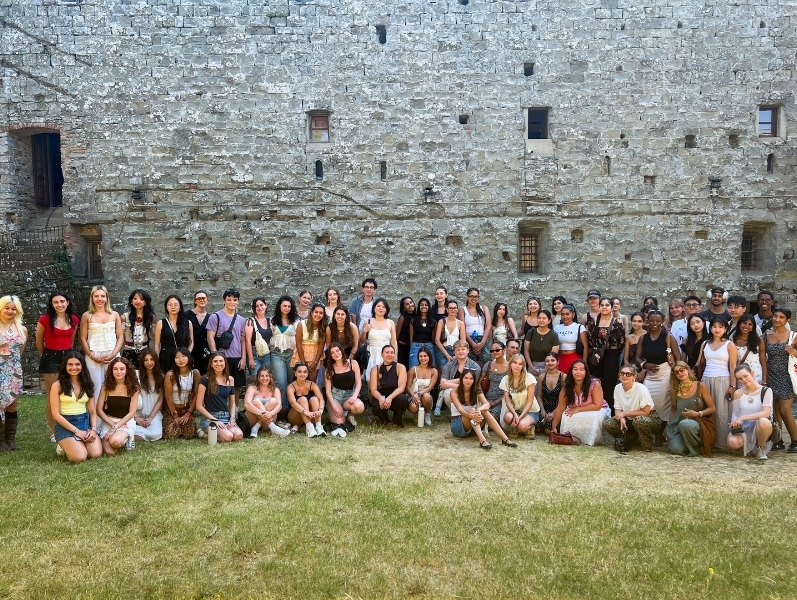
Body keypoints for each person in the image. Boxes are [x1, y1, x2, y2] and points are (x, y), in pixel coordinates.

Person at [36, 291, 79, 440]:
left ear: (67, 302)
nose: (59, 305)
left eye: (62, 301)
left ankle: (69, 425)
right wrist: (47, 357)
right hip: (50, 358)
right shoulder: (45, 320)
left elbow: (72, 341)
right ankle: (54, 431)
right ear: (52, 304)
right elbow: (38, 342)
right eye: (56, 302)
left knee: (67, 392)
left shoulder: (74, 319)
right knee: (52, 395)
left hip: (68, 357)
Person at [635, 310, 680, 443]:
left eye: (658, 321)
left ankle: (660, 434)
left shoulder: (668, 337)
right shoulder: (643, 338)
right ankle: (649, 431)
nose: (655, 323)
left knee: (664, 405)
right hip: (650, 375)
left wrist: (675, 373)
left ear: (662, 322)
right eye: (652, 321)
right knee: (649, 403)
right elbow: (637, 356)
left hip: (665, 374)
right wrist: (644, 365)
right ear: (647, 322)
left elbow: (678, 357)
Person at [50, 351, 102, 462]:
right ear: (65, 366)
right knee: (80, 457)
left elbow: (92, 412)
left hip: (84, 422)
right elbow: (55, 414)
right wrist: (76, 431)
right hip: (65, 424)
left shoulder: (87, 384)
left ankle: (76, 443)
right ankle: (65, 445)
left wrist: (93, 430)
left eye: (77, 364)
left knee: (96, 454)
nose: (74, 367)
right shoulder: (57, 385)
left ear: (82, 366)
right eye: (70, 364)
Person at [696, 316, 737, 450]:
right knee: (707, 410)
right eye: (714, 326)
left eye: (720, 327)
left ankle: (722, 443)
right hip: (706, 380)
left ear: (725, 329)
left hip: (723, 379)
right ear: (710, 328)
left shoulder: (729, 345)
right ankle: (708, 440)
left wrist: (732, 386)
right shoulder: (705, 344)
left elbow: (732, 367)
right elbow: (699, 363)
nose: (717, 329)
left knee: (722, 412)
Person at [449, 369, 516, 449]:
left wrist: (478, 410)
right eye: (466, 378)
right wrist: (472, 415)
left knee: (484, 411)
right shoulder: (454, 392)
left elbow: (487, 404)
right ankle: (482, 441)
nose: (468, 381)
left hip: (474, 427)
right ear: (461, 379)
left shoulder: (476, 390)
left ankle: (505, 439)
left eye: (471, 379)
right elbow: (461, 410)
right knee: (473, 410)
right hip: (458, 426)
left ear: (474, 380)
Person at [79, 285, 124, 405]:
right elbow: (83, 338)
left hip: (112, 353)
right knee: (95, 386)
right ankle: (96, 421)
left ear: (107, 298)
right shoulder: (87, 316)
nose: (100, 299)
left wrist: (113, 355)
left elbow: (120, 337)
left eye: (102, 296)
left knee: (113, 384)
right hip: (93, 354)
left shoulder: (114, 315)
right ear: (92, 298)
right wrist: (91, 355)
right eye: (96, 296)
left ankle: (113, 415)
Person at [603, 364, 662, 452]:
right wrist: (621, 418)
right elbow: (617, 411)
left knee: (640, 420)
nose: (624, 376)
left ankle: (647, 445)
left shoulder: (641, 389)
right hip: (628, 419)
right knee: (609, 423)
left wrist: (624, 413)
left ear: (634, 376)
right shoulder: (617, 388)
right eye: (622, 373)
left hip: (649, 417)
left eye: (628, 374)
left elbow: (646, 412)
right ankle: (629, 440)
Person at [552, 360, 610, 446]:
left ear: (586, 371)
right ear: (571, 371)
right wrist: (554, 427)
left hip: (598, 409)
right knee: (566, 415)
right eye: (575, 369)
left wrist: (578, 409)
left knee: (594, 417)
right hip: (576, 409)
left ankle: (590, 440)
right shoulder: (566, 388)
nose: (578, 372)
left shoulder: (594, 383)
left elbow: (598, 405)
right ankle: (572, 438)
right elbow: (560, 408)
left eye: (582, 369)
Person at [764, 306, 797, 453]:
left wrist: (794, 352)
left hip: (786, 376)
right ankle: (778, 440)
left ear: (787, 320)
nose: (777, 319)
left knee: (784, 410)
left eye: (781, 317)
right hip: (771, 375)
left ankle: (795, 441)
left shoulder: (793, 336)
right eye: (775, 316)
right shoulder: (766, 335)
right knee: (775, 411)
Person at [666, 361, 716, 457]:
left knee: (685, 424)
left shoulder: (700, 386)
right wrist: (670, 426)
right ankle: (686, 444)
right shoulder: (674, 388)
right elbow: (673, 409)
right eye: (676, 372)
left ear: (688, 370)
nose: (680, 373)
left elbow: (712, 408)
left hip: (697, 424)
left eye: (682, 370)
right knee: (676, 449)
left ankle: (698, 447)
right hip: (678, 424)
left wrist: (698, 414)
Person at [585, 297, 625, 413]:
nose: (604, 307)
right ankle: (596, 409)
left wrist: (613, 353)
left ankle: (609, 411)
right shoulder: (592, 322)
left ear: (612, 307)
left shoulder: (617, 322)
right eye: (602, 305)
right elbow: (590, 339)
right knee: (596, 382)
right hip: (596, 356)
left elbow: (621, 341)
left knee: (609, 384)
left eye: (607, 305)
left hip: (611, 355)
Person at [728, 364, 774, 460]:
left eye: (745, 376)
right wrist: (735, 422)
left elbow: (766, 413)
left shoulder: (766, 391)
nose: (744, 380)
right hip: (744, 426)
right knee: (732, 442)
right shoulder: (738, 393)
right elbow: (735, 413)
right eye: (740, 379)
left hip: (761, 426)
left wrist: (743, 417)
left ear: (752, 373)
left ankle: (761, 448)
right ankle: (745, 445)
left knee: (763, 421)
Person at [196, 351, 243, 443]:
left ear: (225, 363)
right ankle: (202, 433)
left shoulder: (230, 379)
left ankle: (222, 431)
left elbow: (233, 403)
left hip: (226, 416)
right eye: (215, 361)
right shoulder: (205, 379)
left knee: (238, 435)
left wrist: (232, 418)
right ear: (211, 364)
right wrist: (215, 420)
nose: (219, 364)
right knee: (228, 437)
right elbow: (199, 406)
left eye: (221, 361)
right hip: (210, 418)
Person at [96, 357, 139, 456]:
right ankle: (118, 436)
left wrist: (116, 426)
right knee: (110, 452)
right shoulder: (106, 386)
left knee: (115, 442)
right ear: (111, 371)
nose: (118, 372)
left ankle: (128, 437)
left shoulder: (134, 387)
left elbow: (132, 412)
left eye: (122, 369)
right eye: (115, 369)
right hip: (108, 422)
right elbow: (99, 410)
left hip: (125, 422)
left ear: (127, 370)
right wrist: (112, 426)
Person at [206, 289, 248, 389]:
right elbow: (210, 336)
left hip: (237, 357)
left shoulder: (242, 320)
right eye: (229, 299)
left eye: (235, 300)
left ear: (238, 302)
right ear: (224, 301)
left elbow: (243, 340)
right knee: (220, 383)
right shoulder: (215, 317)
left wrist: (243, 358)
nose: (232, 302)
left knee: (237, 385)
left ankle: (235, 405)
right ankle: (221, 404)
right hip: (221, 356)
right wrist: (214, 354)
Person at [0, 295, 27, 451]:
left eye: (13, 308)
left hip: (14, 370)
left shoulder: (21, 329)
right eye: (6, 308)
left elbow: (19, 351)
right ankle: (1, 441)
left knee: (12, 403)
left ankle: (10, 439)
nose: (9, 311)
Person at [324, 343, 365, 436]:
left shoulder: (353, 363)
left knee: (359, 407)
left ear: (341, 351)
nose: (336, 354)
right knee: (340, 423)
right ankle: (336, 414)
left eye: (337, 351)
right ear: (330, 356)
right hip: (335, 398)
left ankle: (350, 415)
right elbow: (328, 391)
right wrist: (334, 406)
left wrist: (354, 397)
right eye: (333, 352)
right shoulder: (329, 369)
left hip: (349, 396)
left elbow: (359, 382)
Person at [368, 345, 410, 427]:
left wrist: (390, 398)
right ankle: (385, 420)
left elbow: (401, 387)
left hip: (396, 395)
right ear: (381, 354)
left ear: (394, 355)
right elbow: (373, 389)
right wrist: (380, 398)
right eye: (387, 352)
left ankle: (397, 421)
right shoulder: (375, 369)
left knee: (403, 399)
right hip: (382, 395)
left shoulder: (400, 367)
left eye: (392, 353)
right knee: (376, 404)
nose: (389, 355)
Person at [437, 339, 482, 416]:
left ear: (468, 350)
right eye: (457, 350)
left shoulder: (475, 366)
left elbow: (472, 386)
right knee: (448, 393)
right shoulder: (449, 365)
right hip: (455, 393)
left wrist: (449, 382)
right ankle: (456, 413)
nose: (460, 352)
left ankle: (465, 412)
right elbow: (442, 384)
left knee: (452, 390)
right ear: (454, 352)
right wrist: (460, 384)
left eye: (463, 349)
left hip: (470, 394)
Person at [162, 347, 199, 440]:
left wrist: (188, 413)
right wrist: (175, 416)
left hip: (186, 409)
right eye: (177, 357)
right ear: (174, 360)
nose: (180, 359)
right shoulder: (170, 375)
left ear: (189, 357)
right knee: (172, 435)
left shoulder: (195, 373)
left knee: (188, 434)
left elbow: (197, 395)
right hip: (172, 410)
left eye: (183, 356)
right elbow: (168, 396)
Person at [270, 296, 300, 408]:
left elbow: (299, 338)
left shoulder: (296, 321)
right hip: (276, 354)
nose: (286, 308)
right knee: (281, 382)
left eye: (289, 306)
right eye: (284, 306)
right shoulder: (272, 320)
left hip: (291, 353)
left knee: (291, 381)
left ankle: (293, 407)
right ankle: (283, 409)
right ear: (279, 306)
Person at [242, 367, 289, 438]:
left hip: (266, 424)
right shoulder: (252, 388)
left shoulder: (275, 389)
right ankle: (274, 428)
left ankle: (256, 428)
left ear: (271, 377)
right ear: (258, 377)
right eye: (262, 376)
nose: (264, 378)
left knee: (273, 401)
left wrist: (270, 413)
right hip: (252, 420)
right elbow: (247, 404)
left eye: (267, 376)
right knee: (256, 402)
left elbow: (279, 406)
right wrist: (262, 413)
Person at [155, 294, 194, 376]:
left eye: (176, 305)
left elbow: (191, 342)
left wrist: (186, 355)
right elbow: (157, 344)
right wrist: (157, 361)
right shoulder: (160, 323)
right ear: (166, 307)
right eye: (170, 304)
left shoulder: (188, 323)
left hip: (183, 358)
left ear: (180, 307)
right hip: (166, 357)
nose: (173, 307)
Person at [500, 354, 539, 437]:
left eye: (520, 364)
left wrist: (519, 417)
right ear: (510, 364)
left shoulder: (529, 378)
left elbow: (530, 402)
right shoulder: (506, 379)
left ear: (523, 366)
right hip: (516, 410)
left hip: (530, 411)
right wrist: (514, 414)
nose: (517, 366)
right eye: (515, 363)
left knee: (522, 426)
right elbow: (507, 401)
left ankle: (529, 427)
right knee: (507, 418)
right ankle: (515, 425)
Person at [362, 298, 397, 383]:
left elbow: (393, 342)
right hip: (371, 353)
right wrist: (364, 331)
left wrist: (395, 358)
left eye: (383, 307)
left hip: (386, 353)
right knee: (371, 380)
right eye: (378, 306)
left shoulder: (390, 322)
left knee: (385, 379)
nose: (381, 308)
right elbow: (362, 341)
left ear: (386, 310)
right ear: (374, 308)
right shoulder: (368, 322)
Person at [287, 362, 326, 437]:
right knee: (303, 399)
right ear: (295, 373)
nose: (302, 374)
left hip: (310, 416)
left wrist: (321, 410)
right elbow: (293, 403)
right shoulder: (291, 387)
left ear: (308, 373)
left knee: (314, 399)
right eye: (299, 372)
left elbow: (321, 399)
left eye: (305, 372)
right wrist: (306, 412)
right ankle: (309, 428)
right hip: (295, 417)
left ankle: (318, 427)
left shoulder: (312, 384)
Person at [478, 340, 510, 429]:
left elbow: (510, 390)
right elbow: (479, 383)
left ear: (504, 350)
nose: (494, 352)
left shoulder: (510, 367)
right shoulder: (488, 365)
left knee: (490, 418)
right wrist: (483, 399)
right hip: (486, 399)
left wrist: (495, 402)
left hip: (501, 400)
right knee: (480, 419)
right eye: (492, 350)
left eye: (497, 350)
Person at [134, 349, 164, 442]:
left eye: (152, 359)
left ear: (156, 360)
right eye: (146, 360)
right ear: (142, 361)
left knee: (157, 434)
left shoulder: (161, 376)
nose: (149, 362)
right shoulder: (136, 375)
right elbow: (130, 398)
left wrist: (151, 418)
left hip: (154, 413)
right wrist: (136, 417)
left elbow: (160, 399)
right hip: (137, 413)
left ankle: (134, 435)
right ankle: (133, 433)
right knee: (130, 427)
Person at [120, 289, 155, 366]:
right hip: (128, 352)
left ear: (145, 302)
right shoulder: (124, 317)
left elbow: (153, 336)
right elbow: (120, 337)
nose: (138, 301)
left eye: (141, 299)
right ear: (131, 301)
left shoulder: (152, 318)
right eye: (135, 298)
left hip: (145, 352)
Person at [293, 303, 327, 383]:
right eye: (316, 312)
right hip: (301, 354)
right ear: (311, 313)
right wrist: (303, 363)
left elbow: (321, 346)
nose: (318, 315)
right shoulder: (301, 325)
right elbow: (298, 343)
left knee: (312, 381)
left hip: (315, 355)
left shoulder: (323, 327)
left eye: (321, 313)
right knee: (300, 380)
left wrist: (315, 362)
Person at [458, 287, 492, 363]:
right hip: (468, 340)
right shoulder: (462, 310)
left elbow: (488, 326)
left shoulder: (484, 308)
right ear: (467, 297)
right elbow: (462, 328)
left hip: (482, 339)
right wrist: (473, 344)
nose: (474, 298)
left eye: (476, 296)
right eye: (471, 296)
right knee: (469, 364)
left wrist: (482, 343)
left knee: (487, 362)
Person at [406, 345, 437, 426]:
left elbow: (430, 387)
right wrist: (414, 395)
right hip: (413, 395)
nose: (423, 358)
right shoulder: (413, 370)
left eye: (425, 356)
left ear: (429, 356)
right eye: (421, 356)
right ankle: (416, 414)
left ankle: (427, 415)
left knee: (426, 396)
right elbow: (407, 387)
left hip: (425, 396)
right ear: (418, 357)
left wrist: (419, 394)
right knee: (413, 407)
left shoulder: (434, 371)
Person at [523, 309, 560, 377]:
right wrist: (531, 366)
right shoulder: (531, 332)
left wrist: (546, 369)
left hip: (549, 366)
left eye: (544, 318)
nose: (541, 320)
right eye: (539, 318)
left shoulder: (553, 335)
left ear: (549, 321)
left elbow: (553, 355)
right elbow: (526, 350)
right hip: (533, 366)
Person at [553, 304, 587, 376]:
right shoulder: (557, 328)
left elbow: (586, 346)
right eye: (562, 314)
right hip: (560, 359)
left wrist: (584, 363)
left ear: (573, 315)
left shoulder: (579, 327)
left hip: (574, 359)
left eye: (567, 314)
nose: (565, 316)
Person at [732, 313, 766, 384]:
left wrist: (764, 381)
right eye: (744, 323)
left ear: (753, 327)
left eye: (750, 324)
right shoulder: (733, 340)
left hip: (755, 374)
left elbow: (763, 362)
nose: (746, 326)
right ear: (739, 324)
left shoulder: (758, 341)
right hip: (740, 375)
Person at [535, 352, 564, 435]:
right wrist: (543, 411)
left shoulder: (563, 377)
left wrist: (554, 413)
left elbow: (564, 400)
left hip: (558, 409)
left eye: (552, 360)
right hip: (545, 410)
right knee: (536, 427)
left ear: (558, 362)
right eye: (547, 361)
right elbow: (539, 396)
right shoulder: (541, 377)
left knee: (548, 431)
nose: (550, 363)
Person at [434, 299, 466, 372]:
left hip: (456, 350)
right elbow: (437, 340)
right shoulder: (441, 322)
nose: (452, 310)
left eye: (454, 308)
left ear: (457, 309)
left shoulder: (460, 323)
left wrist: (457, 355)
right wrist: (447, 355)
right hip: (443, 350)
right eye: (450, 308)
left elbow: (463, 342)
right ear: (447, 309)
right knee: (444, 373)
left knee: (455, 373)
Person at [245, 296, 272, 375]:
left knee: (266, 378)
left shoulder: (269, 321)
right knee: (256, 379)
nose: (260, 308)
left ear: (265, 305)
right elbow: (248, 341)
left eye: (261, 305)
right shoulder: (250, 322)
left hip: (267, 354)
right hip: (254, 355)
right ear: (254, 308)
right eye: (257, 306)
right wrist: (250, 359)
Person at [185, 290, 210, 374]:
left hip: (205, 353)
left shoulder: (211, 317)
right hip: (191, 351)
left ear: (207, 300)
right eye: (199, 298)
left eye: (203, 298)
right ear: (195, 301)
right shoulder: (186, 315)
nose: (201, 300)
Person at [409, 298, 435, 368]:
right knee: (413, 368)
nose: (424, 306)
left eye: (426, 305)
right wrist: (412, 347)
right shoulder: (413, 320)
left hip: (429, 346)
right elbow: (411, 337)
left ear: (429, 307)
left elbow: (433, 338)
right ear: (419, 306)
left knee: (430, 368)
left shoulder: (433, 322)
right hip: (415, 346)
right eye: (421, 305)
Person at [395, 296, 415, 369]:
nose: (410, 305)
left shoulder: (416, 316)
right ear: (404, 307)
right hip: (402, 347)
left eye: (411, 302)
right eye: (407, 304)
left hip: (411, 345)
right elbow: (396, 335)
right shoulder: (402, 318)